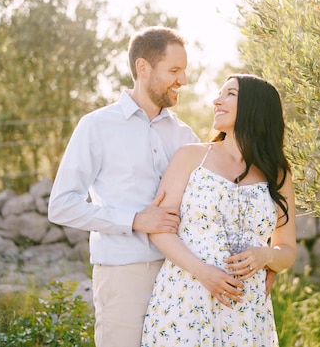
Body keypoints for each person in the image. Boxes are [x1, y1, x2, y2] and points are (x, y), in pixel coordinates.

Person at [47, 26, 200, 347]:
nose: (183, 81)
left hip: (181, 275)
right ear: (143, 68)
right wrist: (132, 220)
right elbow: (61, 205)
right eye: (174, 70)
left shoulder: (185, 135)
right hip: (123, 274)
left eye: (184, 71)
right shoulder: (96, 126)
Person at [141, 73, 297, 346]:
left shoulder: (278, 173)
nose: (217, 101)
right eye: (219, 93)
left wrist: (266, 256)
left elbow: (287, 252)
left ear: (255, 107)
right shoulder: (191, 156)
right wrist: (204, 272)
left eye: (230, 94)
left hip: (245, 308)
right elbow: (161, 231)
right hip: (186, 296)